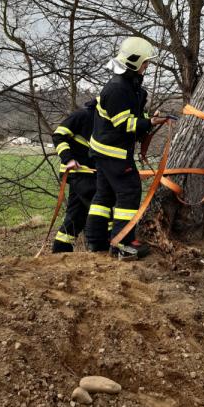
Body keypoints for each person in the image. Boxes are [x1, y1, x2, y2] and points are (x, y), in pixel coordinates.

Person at [85, 36, 167, 258]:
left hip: (104, 151)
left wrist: (149, 117)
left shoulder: (126, 85)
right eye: (145, 62)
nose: (147, 66)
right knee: (129, 191)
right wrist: (149, 123)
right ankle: (123, 244)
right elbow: (126, 124)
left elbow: (130, 116)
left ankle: (95, 242)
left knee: (103, 196)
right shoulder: (118, 89)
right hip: (114, 153)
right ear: (134, 62)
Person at [51, 99, 97, 253]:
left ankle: (61, 250)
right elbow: (58, 135)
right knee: (100, 206)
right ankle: (102, 245)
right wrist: (68, 159)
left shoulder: (102, 119)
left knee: (76, 215)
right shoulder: (82, 115)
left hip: (88, 173)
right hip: (77, 172)